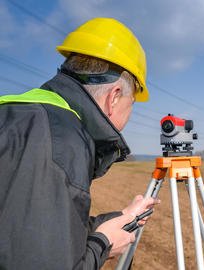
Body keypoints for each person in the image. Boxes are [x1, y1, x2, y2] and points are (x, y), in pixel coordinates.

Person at [0, 18, 160, 269]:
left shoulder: (21, 114)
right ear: (115, 97)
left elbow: (27, 229)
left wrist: (122, 219)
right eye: (133, 106)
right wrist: (103, 243)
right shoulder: (60, 142)